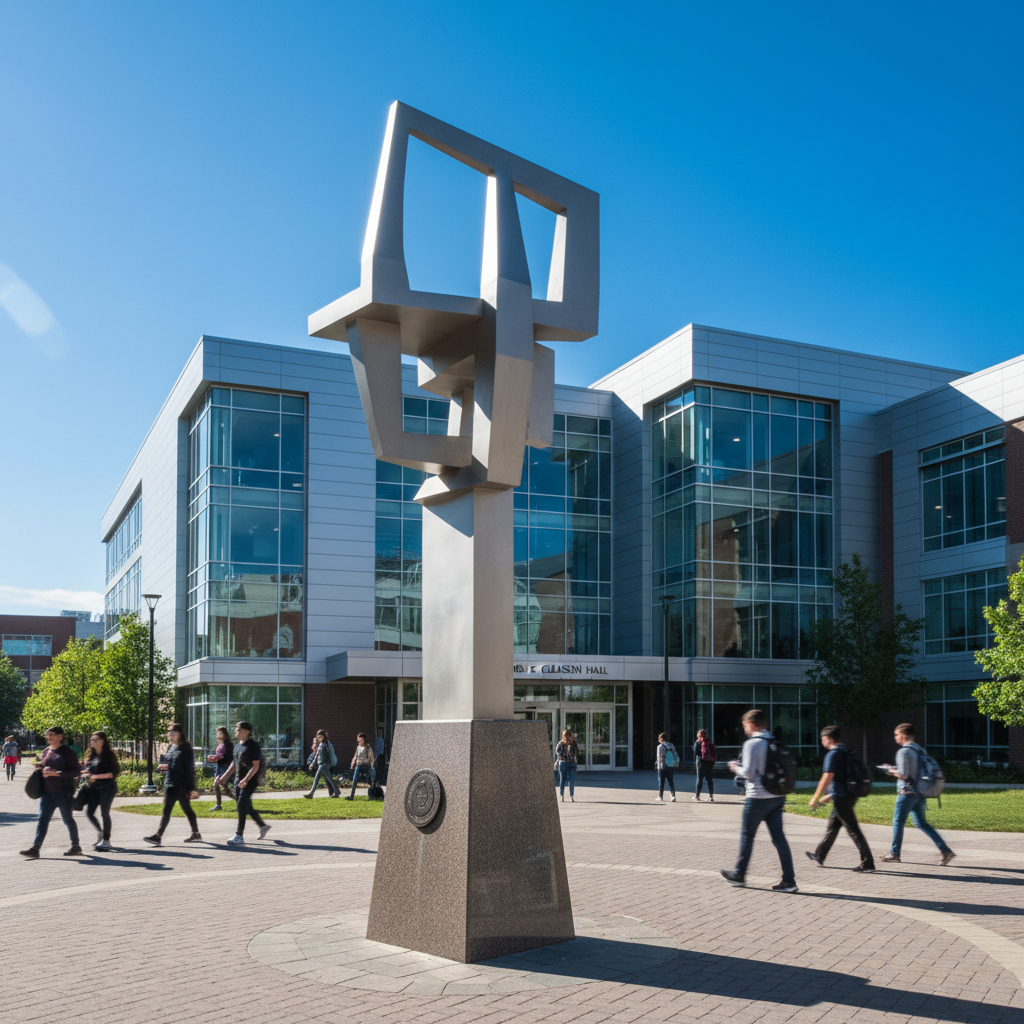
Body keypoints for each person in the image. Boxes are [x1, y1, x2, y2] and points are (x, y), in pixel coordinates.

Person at [721, 709, 798, 892]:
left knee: (748, 836)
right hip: (777, 796)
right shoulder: (774, 741)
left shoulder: (752, 744)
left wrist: (735, 768)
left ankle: (739, 874)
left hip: (757, 797)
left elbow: (748, 772)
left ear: (751, 724)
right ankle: (789, 881)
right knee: (779, 838)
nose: (744, 729)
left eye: (745, 726)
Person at [882, 722, 955, 866]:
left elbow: (905, 774)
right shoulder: (919, 750)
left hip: (907, 792)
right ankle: (945, 851)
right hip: (919, 793)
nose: (895, 737)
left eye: (896, 734)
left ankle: (894, 853)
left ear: (903, 735)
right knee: (921, 823)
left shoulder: (904, 751)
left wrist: (892, 771)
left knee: (898, 821)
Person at [805, 726, 875, 872]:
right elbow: (844, 778)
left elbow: (827, 777)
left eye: (823, 739)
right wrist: (830, 795)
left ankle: (868, 862)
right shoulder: (845, 751)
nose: (822, 742)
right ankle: (820, 854)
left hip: (842, 798)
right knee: (833, 827)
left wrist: (815, 797)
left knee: (853, 830)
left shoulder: (833, 754)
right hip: (846, 795)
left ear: (828, 739)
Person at [20, 726, 82, 858]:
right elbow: (44, 766)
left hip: (63, 792)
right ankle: (36, 848)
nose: (48, 737)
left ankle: (76, 846)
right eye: (47, 735)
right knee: (43, 819)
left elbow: (77, 771)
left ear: (60, 736)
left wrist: (58, 773)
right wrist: (42, 769)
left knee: (67, 819)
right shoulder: (46, 751)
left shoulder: (68, 752)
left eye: (52, 735)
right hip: (47, 792)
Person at [145, 724, 202, 846]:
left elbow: (189, 769)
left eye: (171, 733)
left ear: (179, 734)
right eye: (168, 733)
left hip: (181, 785)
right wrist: (164, 767)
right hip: (170, 784)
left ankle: (160, 836)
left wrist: (191, 788)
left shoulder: (186, 748)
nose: (169, 736)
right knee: (169, 810)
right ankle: (194, 833)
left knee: (186, 810)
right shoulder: (172, 747)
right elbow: (172, 763)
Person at [217, 721, 272, 845]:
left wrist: (246, 780)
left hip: (250, 780)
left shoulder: (252, 745)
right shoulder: (237, 746)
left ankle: (239, 835)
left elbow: (256, 765)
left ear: (247, 731)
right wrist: (224, 777)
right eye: (236, 729)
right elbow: (234, 764)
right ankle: (262, 826)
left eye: (239, 729)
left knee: (241, 805)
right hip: (238, 780)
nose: (236, 731)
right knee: (246, 806)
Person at [81, 731, 120, 851]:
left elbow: (112, 774)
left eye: (96, 739)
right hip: (95, 789)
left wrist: (94, 777)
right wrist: (82, 773)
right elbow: (89, 770)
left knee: (104, 813)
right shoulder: (92, 756)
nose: (94, 742)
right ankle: (100, 832)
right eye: (92, 740)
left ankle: (107, 841)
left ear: (103, 741)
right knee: (89, 812)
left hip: (107, 788)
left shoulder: (109, 756)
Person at [304, 729, 340, 798]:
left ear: (324, 736)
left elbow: (328, 754)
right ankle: (337, 792)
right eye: (318, 737)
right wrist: (312, 764)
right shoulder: (322, 744)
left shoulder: (325, 744)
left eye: (320, 737)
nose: (319, 739)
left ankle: (311, 794)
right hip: (322, 764)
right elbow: (317, 756)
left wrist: (312, 764)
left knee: (317, 779)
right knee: (329, 779)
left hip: (324, 764)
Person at [206, 726, 234, 811]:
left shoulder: (227, 744)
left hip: (225, 768)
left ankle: (219, 805)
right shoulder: (221, 744)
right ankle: (239, 801)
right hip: (220, 767)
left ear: (225, 735)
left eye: (221, 733)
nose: (218, 735)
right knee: (224, 788)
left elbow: (224, 757)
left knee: (217, 784)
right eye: (217, 733)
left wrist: (215, 757)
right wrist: (214, 759)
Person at [344, 732, 375, 800]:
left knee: (368, 780)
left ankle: (373, 793)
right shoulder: (358, 747)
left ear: (363, 739)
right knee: (354, 779)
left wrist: (371, 765)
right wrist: (353, 763)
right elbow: (355, 756)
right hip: (358, 765)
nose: (359, 741)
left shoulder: (367, 747)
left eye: (360, 739)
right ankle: (351, 796)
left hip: (365, 765)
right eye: (358, 739)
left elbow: (371, 757)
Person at [554, 729, 579, 802]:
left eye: (569, 736)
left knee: (569, 780)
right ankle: (563, 795)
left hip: (569, 763)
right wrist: (562, 756)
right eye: (566, 736)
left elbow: (577, 752)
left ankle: (570, 795)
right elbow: (557, 751)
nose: (567, 738)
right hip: (564, 762)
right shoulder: (562, 743)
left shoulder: (573, 743)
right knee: (564, 780)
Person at [692, 728, 716, 802]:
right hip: (708, 763)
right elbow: (714, 753)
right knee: (709, 779)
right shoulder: (709, 742)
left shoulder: (698, 743)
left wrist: (695, 744)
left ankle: (697, 795)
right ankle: (711, 796)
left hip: (700, 763)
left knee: (699, 779)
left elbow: (695, 752)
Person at [654, 733, 677, 802]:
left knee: (661, 782)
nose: (658, 740)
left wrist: (656, 764)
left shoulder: (660, 746)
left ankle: (660, 796)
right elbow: (675, 755)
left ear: (661, 739)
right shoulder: (672, 745)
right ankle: (673, 796)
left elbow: (659, 758)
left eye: (659, 738)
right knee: (671, 781)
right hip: (670, 766)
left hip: (662, 766)